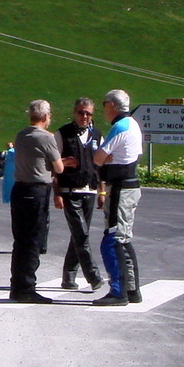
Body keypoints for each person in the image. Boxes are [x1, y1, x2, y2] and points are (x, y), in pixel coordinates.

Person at [92, 89, 143, 307]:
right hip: (129, 186)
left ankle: (118, 290)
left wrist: (104, 158)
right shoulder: (132, 124)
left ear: (111, 105)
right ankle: (131, 289)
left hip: (121, 189)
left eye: (104, 104)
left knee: (112, 240)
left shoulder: (120, 126)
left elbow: (98, 157)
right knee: (124, 238)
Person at [9, 99, 63, 303]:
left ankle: (17, 285)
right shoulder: (46, 137)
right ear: (46, 116)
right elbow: (59, 168)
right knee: (33, 239)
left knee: (20, 240)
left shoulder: (21, 135)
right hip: (37, 190)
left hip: (19, 188)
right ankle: (27, 287)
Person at [54, 98, 104, 292]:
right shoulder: (62, 134)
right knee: (81, 235)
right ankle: (93, 275)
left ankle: (69, 276)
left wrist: (101, 191)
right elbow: (54, 166)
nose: (84, 117)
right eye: (81, 113)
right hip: (70, 191)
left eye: (88, 114)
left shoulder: (97, 135)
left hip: (90, 191)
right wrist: (57, 193)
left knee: (79, 235)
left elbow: (100, 165)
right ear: (74, 113)